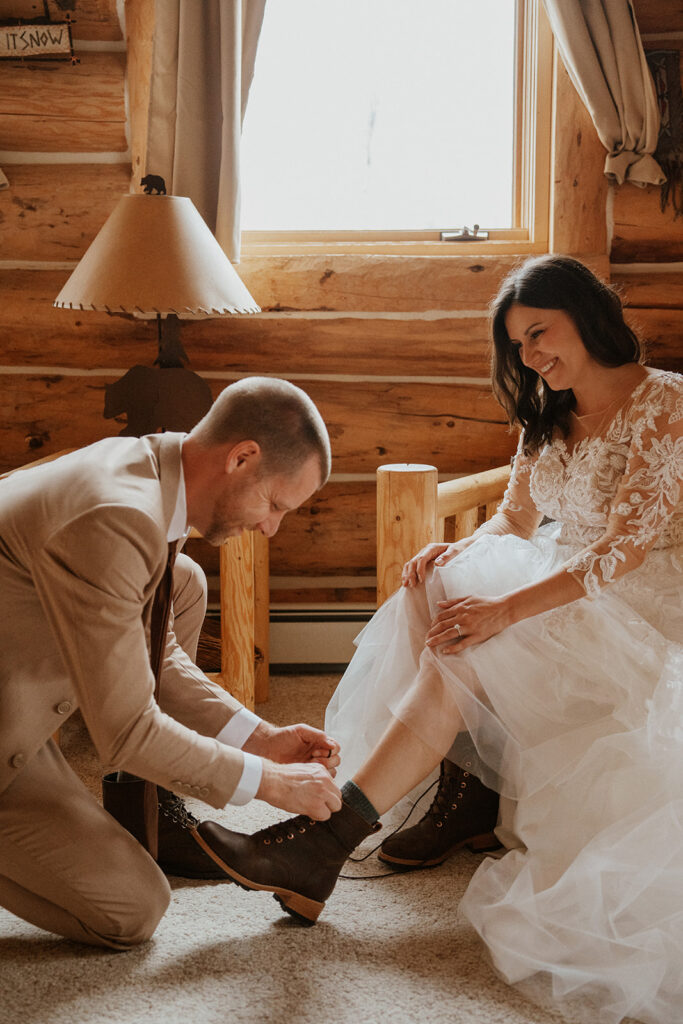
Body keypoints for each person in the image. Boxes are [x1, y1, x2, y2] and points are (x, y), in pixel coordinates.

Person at [199, 258, 683, 1024]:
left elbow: (619, 552)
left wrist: (505, 611)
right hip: (570, 578)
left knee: (476, 638)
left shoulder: (664, 405)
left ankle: (326, 842)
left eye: (538, 333)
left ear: (586, 317)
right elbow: (517, 521)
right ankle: (461, 788)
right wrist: (452, 553)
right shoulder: (547, 414)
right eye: (515, 344)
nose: (528, 357)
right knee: (441, 587)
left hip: (642, 608)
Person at [0, 376, 344, 951]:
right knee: (130, 912)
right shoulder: (117, 516)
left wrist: (259, 738)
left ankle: (146, 796)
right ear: (241, 457)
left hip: (15, 703)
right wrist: (270, 784)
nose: (270, 527)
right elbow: (125, 731)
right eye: (275, 504)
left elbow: (154, 649)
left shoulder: (155, 468)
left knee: (181, 582)